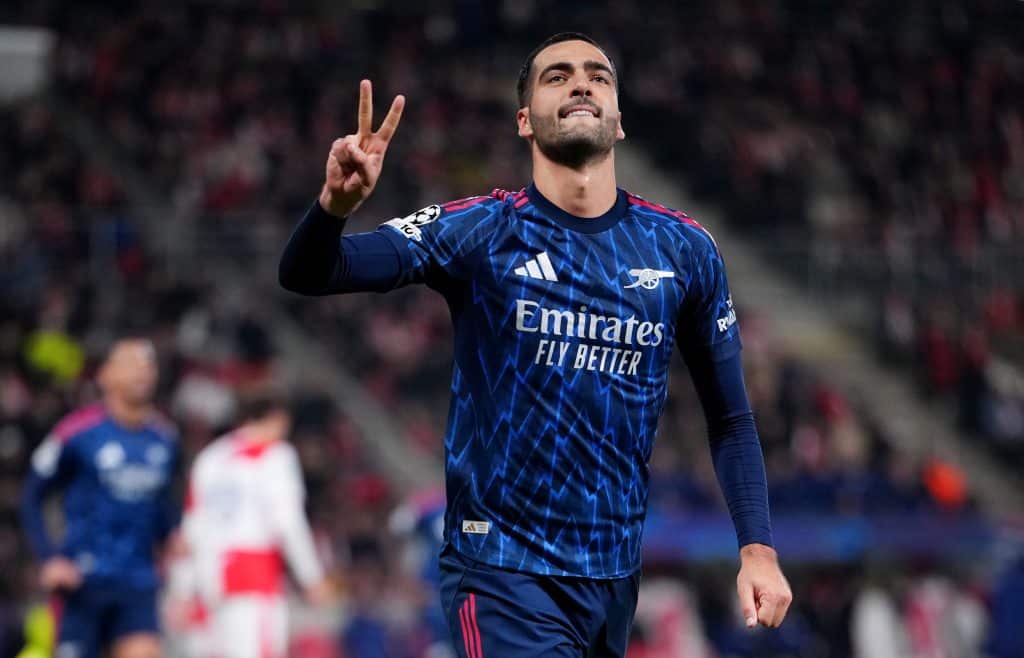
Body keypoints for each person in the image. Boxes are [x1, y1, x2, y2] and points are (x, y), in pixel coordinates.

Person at [279, 31, 791, 657]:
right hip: (498, 567)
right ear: (525, 120)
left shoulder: (685, 250)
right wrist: (334, 207)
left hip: (611, 577)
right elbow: (310, 273)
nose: (581, 83)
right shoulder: (479, 230)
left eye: (598, 76)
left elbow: (732, 419)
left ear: (620, 119)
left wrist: (757, 550)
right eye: (557, 76)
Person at [20, 338, 179, 658]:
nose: (142, 374)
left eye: (148, 366)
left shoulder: (165, 438)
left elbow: (161, 503)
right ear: (106, 375)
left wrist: (173, 535)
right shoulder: (77, 433)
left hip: (138, 581)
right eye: (131, 365)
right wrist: (49, 557)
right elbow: (32, 495)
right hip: (83, 581)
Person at [180, 389, 330, 658]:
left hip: (210, 580)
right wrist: (311, 576)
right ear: (276, 419)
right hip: (254, 577)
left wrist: (182, 586)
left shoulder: (210, 459)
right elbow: (287, 522)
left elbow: (192, 527)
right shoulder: (275, 456)